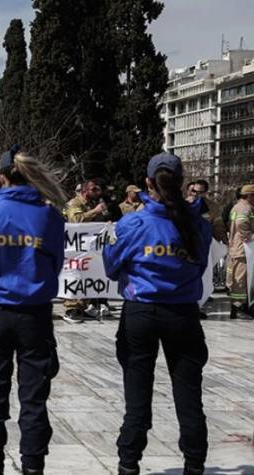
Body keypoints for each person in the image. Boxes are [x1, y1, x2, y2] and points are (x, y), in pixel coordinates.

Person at [103, 152, 212, 475]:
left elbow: (111, 266)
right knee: (189, 397)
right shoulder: (197, 224)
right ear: (181, 182)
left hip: (142, 312)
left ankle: (128, 464)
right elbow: (200, 266)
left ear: (147, 183)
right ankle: (194, 464)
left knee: (137, 396)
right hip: (183, 313)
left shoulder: (133, 223)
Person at [0, 147, 68, 475]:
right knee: (34, 402)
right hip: (34, 315)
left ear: (0, 177)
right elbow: (55, 262)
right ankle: (33, 469)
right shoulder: (49, 215)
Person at [63, 179, 110, 322]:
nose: (97, 192)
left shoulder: (92, 204)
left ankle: (82, 307)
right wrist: (95, 211)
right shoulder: (74, 203)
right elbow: (76, 220)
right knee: (75, 276)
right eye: (93, 189)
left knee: (88, 276)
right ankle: (71, 308)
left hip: (89, 247)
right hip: (75, 247)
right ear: (84, 191)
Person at [227, 184, 254, 319]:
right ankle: (238, 307)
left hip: (237, 247)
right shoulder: (245, 208)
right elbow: (241, 223)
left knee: (238, 279)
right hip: (243, 249)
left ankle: (238, 307)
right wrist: (250, 235)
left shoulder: (237, 206)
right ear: (249, 195)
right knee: (240, 280)